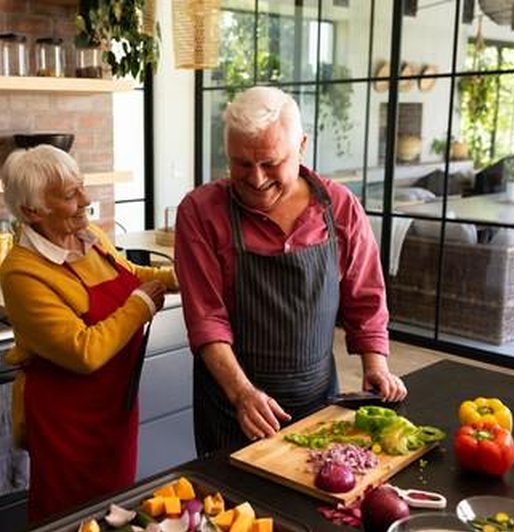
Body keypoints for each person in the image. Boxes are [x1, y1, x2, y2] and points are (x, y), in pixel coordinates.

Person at [174, 86, 407, 457]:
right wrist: (242, 394)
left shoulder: (340, 207)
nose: (256, 178)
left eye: (270, 162)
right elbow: (206, 320)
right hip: (232, 405)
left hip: (318, 398)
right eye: (242, 164)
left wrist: (375, 364)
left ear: (301, 145)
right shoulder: (200, 212)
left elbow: (365, 298)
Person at [0, 144, 179, 522]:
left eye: (82, 187)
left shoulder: (89, 235)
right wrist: (142, 305)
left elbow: (129, 274)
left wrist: (180, 278)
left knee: (117, 511)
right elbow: (84, 351)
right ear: (33, 211)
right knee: (71, 518)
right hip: (67, 422)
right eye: (70, 195)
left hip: (114, 407)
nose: (87, 200)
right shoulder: (22, 271)